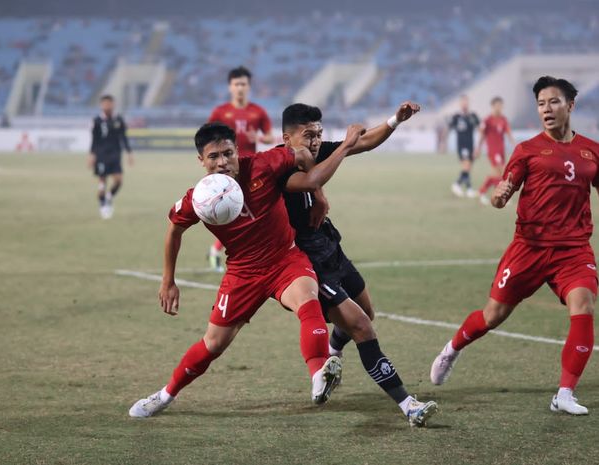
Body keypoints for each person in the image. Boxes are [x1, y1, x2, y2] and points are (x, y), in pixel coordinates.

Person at [130, 122, 365, 418]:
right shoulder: (198, 198)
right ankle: (166, 395)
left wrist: (317, 193)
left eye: (228, 153)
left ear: (237, 151)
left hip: (285, 259)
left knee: (309, 301)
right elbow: (174, 230)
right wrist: (168, 281)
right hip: (243, 272)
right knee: (213, 343)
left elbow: (302, 155)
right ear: (201, 160)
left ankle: (319, 375)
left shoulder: (264, 164)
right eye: (213, 156)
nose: (222, 162)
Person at [430, 76, 598, 415]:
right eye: (540, 104)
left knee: (584, 306)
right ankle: (453, 347)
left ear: (570, 105)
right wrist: (499, 196)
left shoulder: (592, 151)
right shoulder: (527, 150)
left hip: (573, 250)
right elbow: (501, 192)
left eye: (553, 102)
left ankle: (564, 394)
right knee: (493, 316)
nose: (546, 109)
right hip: (529, 249)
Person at [279, 103, 438, 427]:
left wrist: (394, 120)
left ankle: (333, 354)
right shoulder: (279, 166)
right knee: (363, 326)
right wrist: (346, 146)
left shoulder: (316, 151)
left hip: (329, 246)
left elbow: (366, 142)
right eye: (308, 135)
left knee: (368, 309)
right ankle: (407, 405)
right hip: (306, 262)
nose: (315, 141)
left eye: (319, 134)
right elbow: (313, 180)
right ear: (287, 138)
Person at [207, 66, 274, 271]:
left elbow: (270, 136)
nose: (240, 88)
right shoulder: (220, 112)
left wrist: (260, 138)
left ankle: (220, 250)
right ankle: (218, 249)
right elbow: (209, 138)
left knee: (251, 213)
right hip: (227, 170)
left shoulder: (258, 112)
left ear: (249, 86)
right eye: (236, 84)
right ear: (230, 87)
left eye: (243, 84)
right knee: (235, 213)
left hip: (251, 169)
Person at [88, 95, 133, 220]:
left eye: (109, 103)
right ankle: (103, 204)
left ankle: (109, 197)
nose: (107, 106)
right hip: (101, 155)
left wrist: (129, 153)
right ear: (101, 105)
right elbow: (94, 140)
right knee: (102, 182)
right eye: (105, 103)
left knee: (118, 181)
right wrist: (92, 155)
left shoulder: (118, 120)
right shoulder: (97, 121)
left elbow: (124, 137)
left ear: (113, 105)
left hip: (115, 155)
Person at [475, 97, 516, 205]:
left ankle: (482, 192)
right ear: (493, 106)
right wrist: (478, 148)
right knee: (501, 173)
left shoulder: (503, 119)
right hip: (493, 151)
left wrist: (515, 146)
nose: (500, 108)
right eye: (498, 105)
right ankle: (500, 196)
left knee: (497, 174)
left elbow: (509, 134)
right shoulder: (487, 120)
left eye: (501, 106)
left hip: (501, 151)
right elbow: (482, 135)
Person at [449, 95, 480, 198]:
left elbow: (480, 128)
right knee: (466, 165)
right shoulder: (456, 117)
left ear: (468, 103)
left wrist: (478, 147)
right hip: (462, 146)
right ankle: (457, 184)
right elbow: (449, 127)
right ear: (460, 104)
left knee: (468, 167)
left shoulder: (473, 116)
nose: (464, 104)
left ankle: (469, 189)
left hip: (471, 145)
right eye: (462, 102)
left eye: (466, 102)